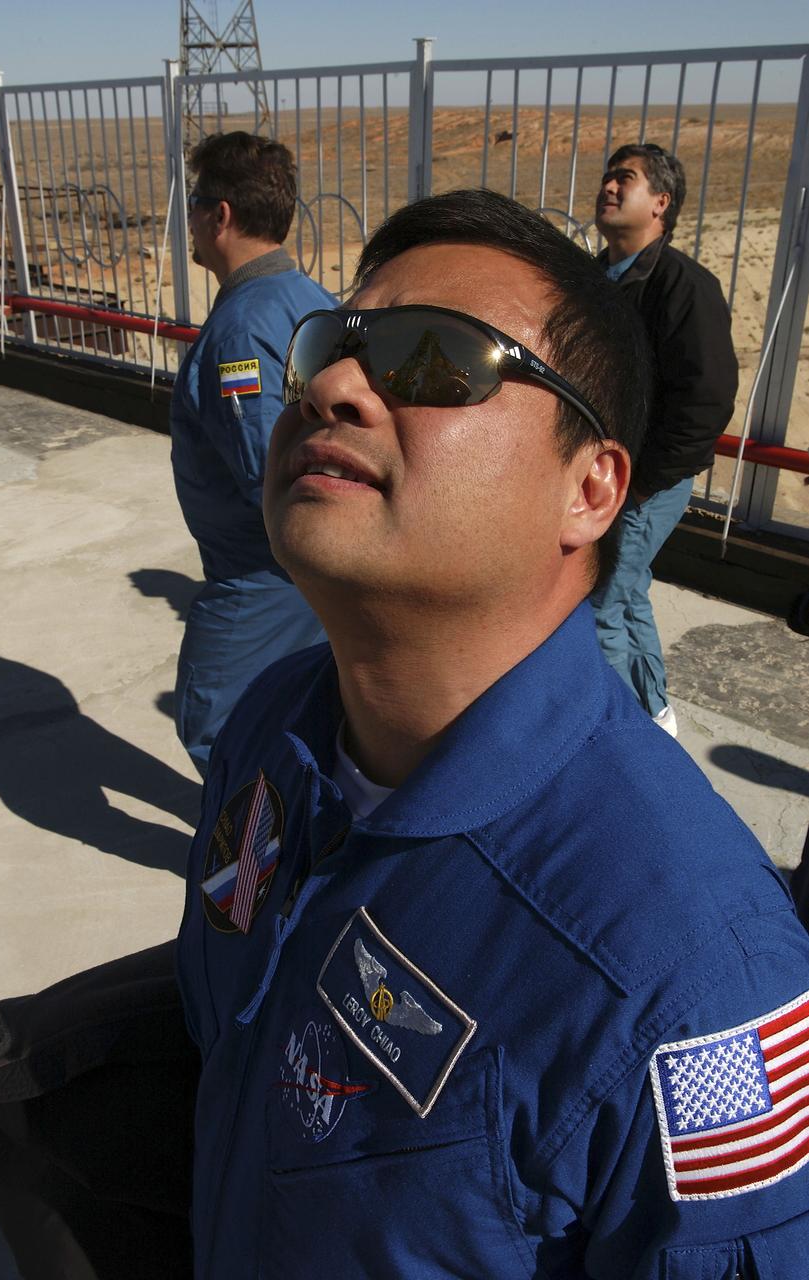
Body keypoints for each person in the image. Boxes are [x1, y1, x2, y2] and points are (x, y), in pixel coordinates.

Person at [177, 188, 809, 1278]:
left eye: (433, 360)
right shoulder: (275, 722)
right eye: (329, 345)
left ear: (590, 488)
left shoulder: (690, 976)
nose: (330, 385)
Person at [171, 131, 336, 773]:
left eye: (193, 203)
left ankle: (259, 867)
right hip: (305, 569)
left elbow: (267, 468)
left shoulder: (240, 328)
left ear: (221, 215)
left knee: (216, 725)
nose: (188, 218)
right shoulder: (311, 298)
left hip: (263, 576)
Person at [591, 143, 739, 738]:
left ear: (660, 203)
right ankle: (654, 716)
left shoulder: (685, 287)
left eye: (624, 178)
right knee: (626, 598)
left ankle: (619, 743)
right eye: (607, 176)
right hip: (603, 477)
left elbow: (704, 402)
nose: (608, 185)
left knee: (598, 608)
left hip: (642, 483)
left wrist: (642, 485)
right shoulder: (591, 279)